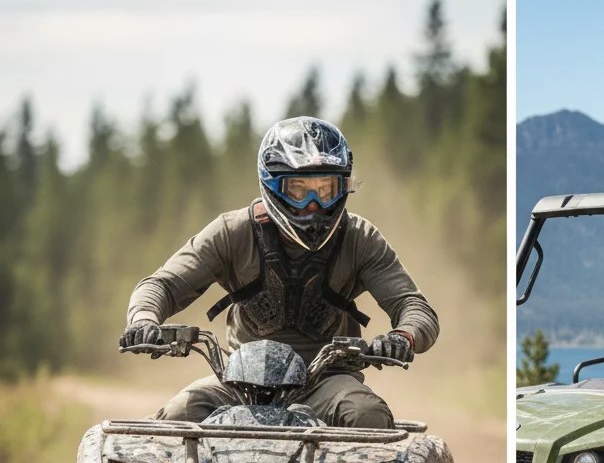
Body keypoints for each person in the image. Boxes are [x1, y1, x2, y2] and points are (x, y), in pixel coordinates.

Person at [119, 116, 439, 429]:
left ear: (344, 187)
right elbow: (162, 285)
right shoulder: (233, 232)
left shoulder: (360, 238)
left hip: (326, 384)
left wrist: (403, 336)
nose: (314, 205)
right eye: (300, 191)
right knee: (180, 413)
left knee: (365, 413)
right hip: (239, 381)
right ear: (272, 186)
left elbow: (414, 307)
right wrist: (144, 319)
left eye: (326, 190)